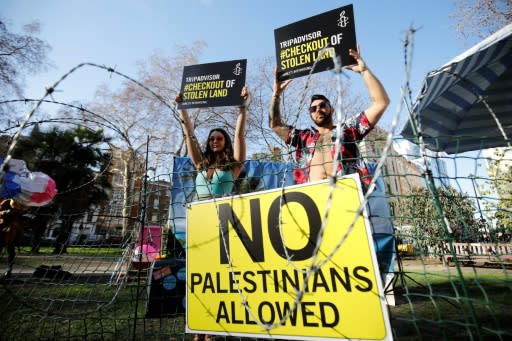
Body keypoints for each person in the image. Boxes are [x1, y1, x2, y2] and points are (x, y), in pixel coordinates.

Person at [269, 47, 390, 189]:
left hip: (347, 196)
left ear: (331, 108)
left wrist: (364, 71)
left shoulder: (348, 130)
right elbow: (275, 126)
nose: (318, 109)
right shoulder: (303, 138)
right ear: (310, 114)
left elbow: (381, 103)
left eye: (322, 105)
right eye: (313, 108)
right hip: (313, 199)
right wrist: (276, 94)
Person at [175, 86, 250, 201]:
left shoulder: (234, 165)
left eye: (219, 138)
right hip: (199, 212)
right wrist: (181, 108)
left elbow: (239, 135)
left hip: (223, 213)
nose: (215, 141)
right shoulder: (201, 164)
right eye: (212, 139)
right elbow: (190, 135)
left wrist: (243, 107)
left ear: (226, 142)